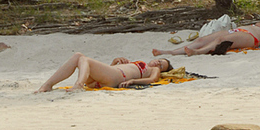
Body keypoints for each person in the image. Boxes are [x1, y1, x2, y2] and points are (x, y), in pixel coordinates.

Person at [35, 53, 172, 92]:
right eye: (159, 60)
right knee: (78, 57)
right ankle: (47, 85)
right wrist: (114, 63)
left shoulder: (153, 70)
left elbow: (152, 80)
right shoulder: (138, 62)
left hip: (119, 77)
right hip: (112, 73)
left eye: (161, 65)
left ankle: (79, 84)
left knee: (82, 58)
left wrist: (133, 81)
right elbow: (105, 70)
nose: (157, 64)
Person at [152, 21, 260, 56]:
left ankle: (198, 52)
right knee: (201, 40)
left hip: (251, 37)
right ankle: (169, 52)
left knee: (221, 39)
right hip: (239, 30)